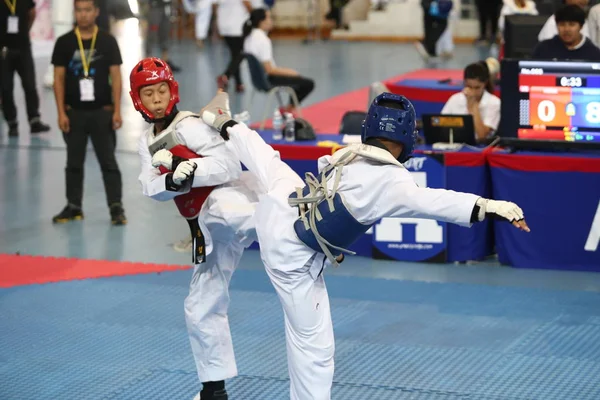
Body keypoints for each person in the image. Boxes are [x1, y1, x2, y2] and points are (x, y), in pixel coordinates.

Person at [198, 90, 529, 400]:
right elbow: (435, 201)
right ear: (407, 138)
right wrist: (489, 205)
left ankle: (223, 123)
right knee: (314, 350)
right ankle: (219, 215)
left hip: (285, 208)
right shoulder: (393, 181)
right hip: (291, 258)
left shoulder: (350, 154)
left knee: (270, 164)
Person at [130, 57, 262, 400]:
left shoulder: (189, 126)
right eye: (149, 94)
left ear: (172, 91)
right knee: (201, 304)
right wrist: (173, 181)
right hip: (203, 225)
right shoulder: (147, 141)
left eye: (161, 90)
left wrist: (192, 169)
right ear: (137, 100)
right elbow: (148, 186)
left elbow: (230, 164)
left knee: (229, 211)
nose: (157, 99)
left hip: (230, 198)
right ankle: (214, 390)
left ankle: (302, 224)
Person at [51, 0, 126, 224]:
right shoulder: (64, 43)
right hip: (74, 113)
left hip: (102, 112)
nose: (83, 15)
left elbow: (117, 77)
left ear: (96, 12)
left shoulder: (107, 41)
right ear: (75, 12)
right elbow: (59, 79)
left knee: (109, 162)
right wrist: (61, 113)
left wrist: (117, 110)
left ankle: (116, 207)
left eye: (87, 10)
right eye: (79, 10)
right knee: (73, 163)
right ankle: (74, 206)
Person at [243, 8, 314, 113]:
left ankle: (288, 109)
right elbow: (269, 70)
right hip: (268, 80)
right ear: (261, 21)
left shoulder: (249, 37)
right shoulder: (263, 40)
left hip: (257, 81)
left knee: (297, 81)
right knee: (308, 84)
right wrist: (291, 72)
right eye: (269, 18)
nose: (271, 20)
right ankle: (288, 110)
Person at [0, 0, 51, 137]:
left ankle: (34, 120)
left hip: (23, 48)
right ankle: (12, 123)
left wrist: (24, 31)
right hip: (4, 50)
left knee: (30, 85)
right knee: (6, 88)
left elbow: (32, 13)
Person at [441, 62, 501, 141]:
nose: (473, 92)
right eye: (469, 87)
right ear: (464, 82)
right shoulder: (455, 99)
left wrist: (473, 106)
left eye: (477, 88)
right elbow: (440, 126)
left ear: (485, 84)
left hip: (479, 148)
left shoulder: (494, 103)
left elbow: (482, 136)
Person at [533, 4, 600, 61]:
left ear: (581, 26)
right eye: (562, 24)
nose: (566, 29)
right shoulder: (543, 49)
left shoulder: (594, 54)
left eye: (572, 24)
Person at [143, 0, 181, 71]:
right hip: (155, 6)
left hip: (167, 6)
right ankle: (147, 62)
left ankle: (165, 61)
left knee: (165, 33)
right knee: (152, 33)